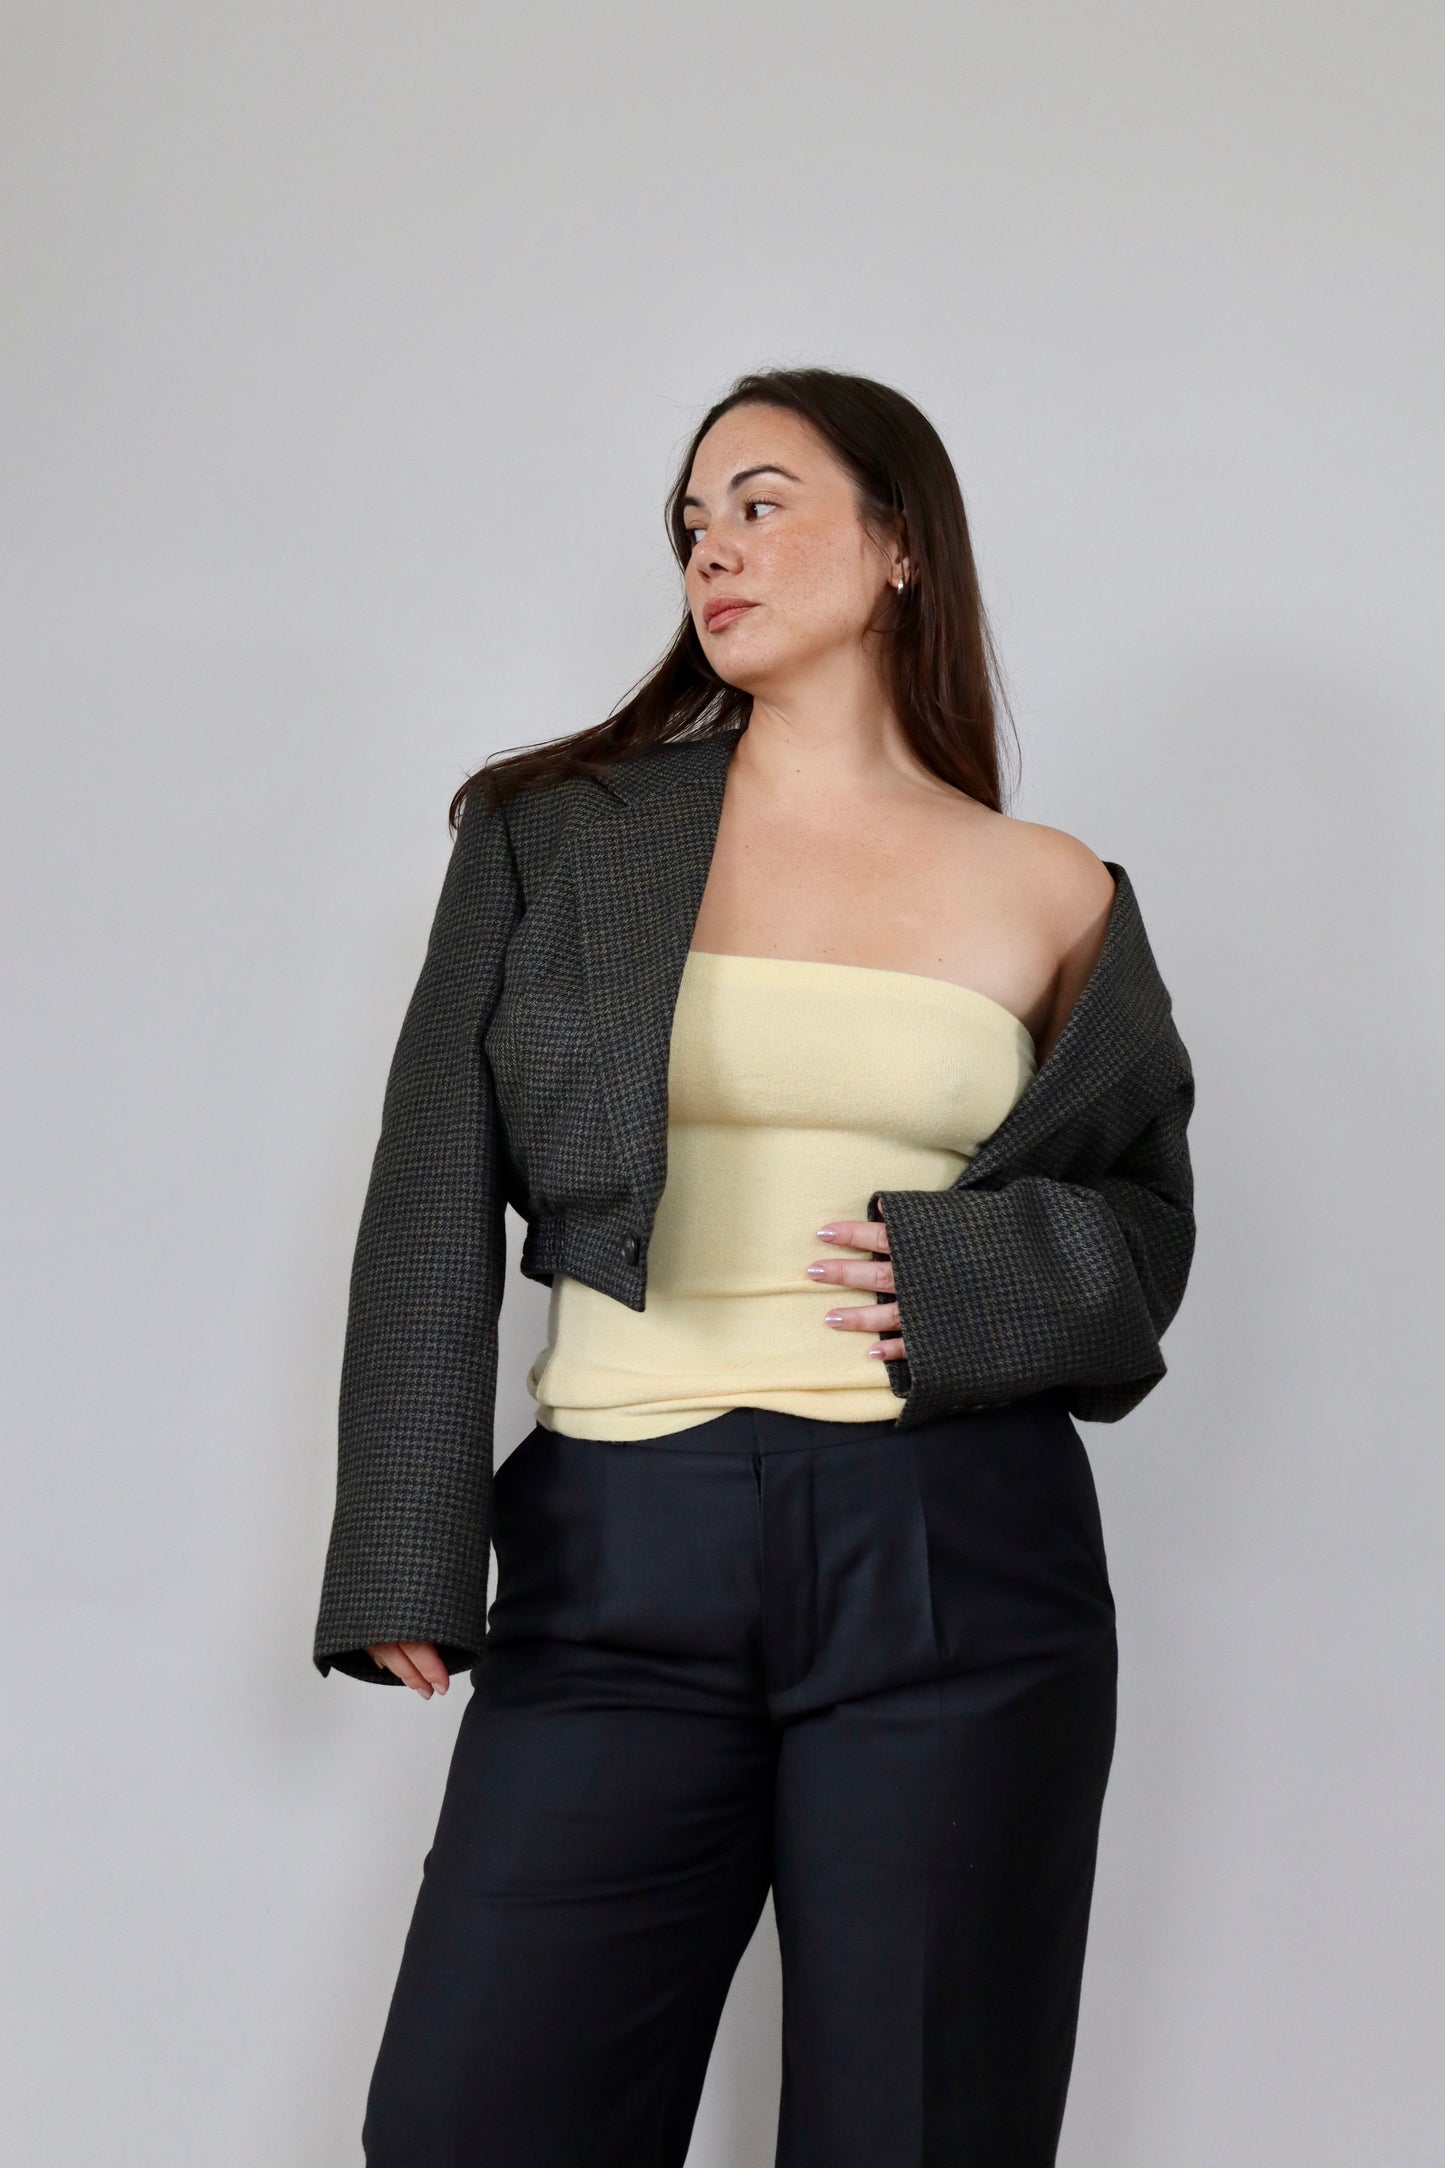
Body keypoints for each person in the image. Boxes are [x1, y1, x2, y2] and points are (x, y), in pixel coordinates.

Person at [312, 366, 1197, 2165]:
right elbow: (429, 1183)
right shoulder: (558, 834)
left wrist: (967, 1280)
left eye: (763, 503)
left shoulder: (1050, 888)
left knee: (922, 2129)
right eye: (692, 522)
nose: (712, 547)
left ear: (897, 544)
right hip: (618, 1541)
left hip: (958, 1554)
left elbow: (1146, 1223)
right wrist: (406, 1542)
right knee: (474, 2124)